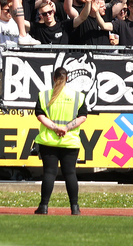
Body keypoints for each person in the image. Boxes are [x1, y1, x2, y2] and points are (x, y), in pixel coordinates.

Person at [34, 66, 87, 216]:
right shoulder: (78, 96)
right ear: (67, 79)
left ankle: (43, 206)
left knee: (49, 173)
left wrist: (55, 128)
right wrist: (66, 128)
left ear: (54, 78)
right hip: (70, 141)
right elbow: (82, 117)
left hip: (49, 141)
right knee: (70, 173)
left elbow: (40, 115)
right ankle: (75, 207)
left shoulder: (44, 95)